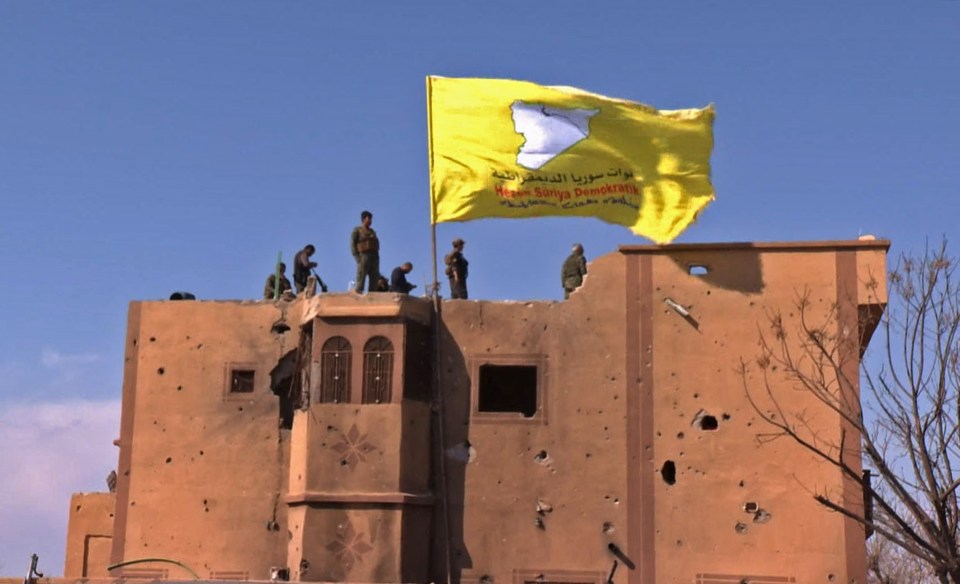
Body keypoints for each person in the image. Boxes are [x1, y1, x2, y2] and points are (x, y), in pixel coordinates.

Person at [350, 210, 381, 293]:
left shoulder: (372, 232)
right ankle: (359, 294)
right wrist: (357, 257)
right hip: (363, 256)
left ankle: (372, 295)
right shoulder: (357, 230)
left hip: (374, 257)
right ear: (364, 219)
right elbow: (352, 244)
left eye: (371, 219)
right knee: (361, 277)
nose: (370, 221)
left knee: (374, 278)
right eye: (369, 218)